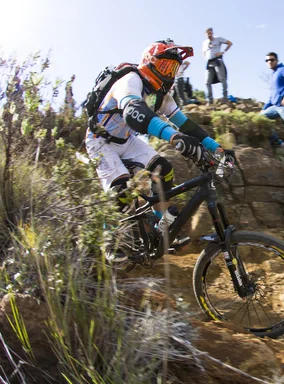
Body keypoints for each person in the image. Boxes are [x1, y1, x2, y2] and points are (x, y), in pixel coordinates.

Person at [85, 39, 222, 262]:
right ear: (149, 62)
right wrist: (174, 136)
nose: (169, 74)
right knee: (121, 189)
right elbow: (133, 112)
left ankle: (161, 225)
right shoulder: (131, 79)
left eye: (173, 69)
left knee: (164, 169)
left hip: (126, 140)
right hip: (100, 141)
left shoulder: (162, 96)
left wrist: (217, 148)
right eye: (165, 66)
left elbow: (186, 124)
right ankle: (109, 241)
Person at [202, 27, 232, 104]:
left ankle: (225, 98)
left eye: (210, 33)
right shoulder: (205, 43)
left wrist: (223, 52)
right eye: (208, 33)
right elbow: (204, 52)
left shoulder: (218, 39)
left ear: (212, 33)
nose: (209, 35)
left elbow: (229, 43)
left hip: (217, 60)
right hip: (209, 62)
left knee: (222, 78)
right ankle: (210, 100)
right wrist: (205, 57)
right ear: (205, 34)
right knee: (207, 82)